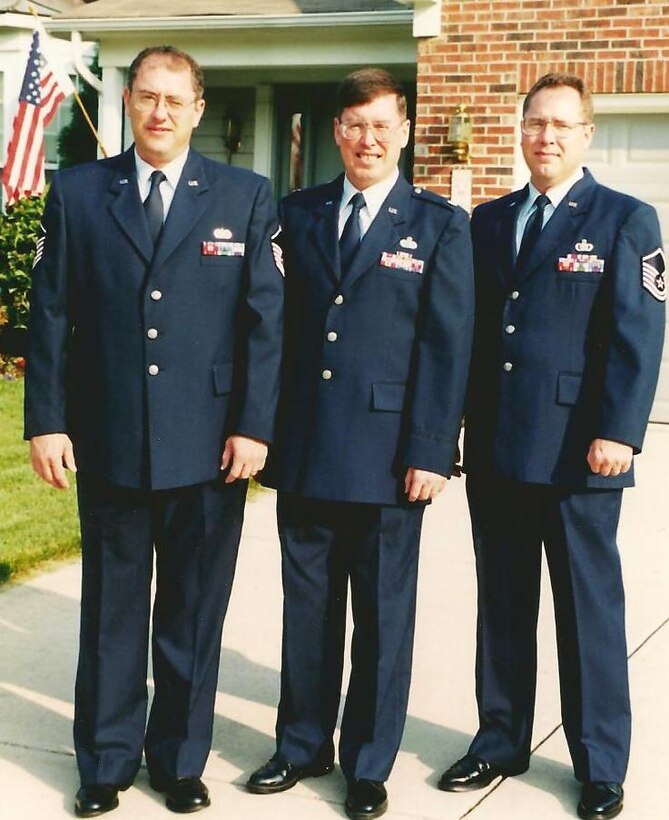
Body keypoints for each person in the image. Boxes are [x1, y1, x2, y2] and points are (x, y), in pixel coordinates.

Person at [24, 46, 283, 817]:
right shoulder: (77, 192)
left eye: (175, 99)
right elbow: (50, 317)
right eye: (147, 97)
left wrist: (253, 427)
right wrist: (47, 423)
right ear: (129, 102)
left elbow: (264, 323)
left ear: (199, 108)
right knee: (111, 612)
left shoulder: (244, 195)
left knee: (192, 615)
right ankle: (104, 764)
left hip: (209, 448)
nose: (160, 111)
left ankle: (177, 761)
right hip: (107, 440)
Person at [245, 68, 474, 819]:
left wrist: (433, 450)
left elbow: (447, 347)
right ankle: (301, 743)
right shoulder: (298, 213)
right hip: (307, 447)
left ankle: (368, 762)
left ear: (403, 131)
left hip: (388, 459)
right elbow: (272, 327)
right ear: (335, 132)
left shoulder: (439, 224)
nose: (367, 139)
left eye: (381, 125)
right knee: (306, 612)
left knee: (381, 618)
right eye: (354, 125)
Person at [438, 73, 666, 820]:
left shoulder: (625, 219)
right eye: (534, 123)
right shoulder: (488, 219)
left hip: (579, 453)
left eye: (561, 126)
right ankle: (500, 737)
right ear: (520, 129)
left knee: (586, 612)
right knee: (501, 605)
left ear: (585, 135)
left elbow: (637, 334)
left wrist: (619, 431)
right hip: (501, 447)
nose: (545, 137)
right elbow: (469, 336)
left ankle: (600, 763)